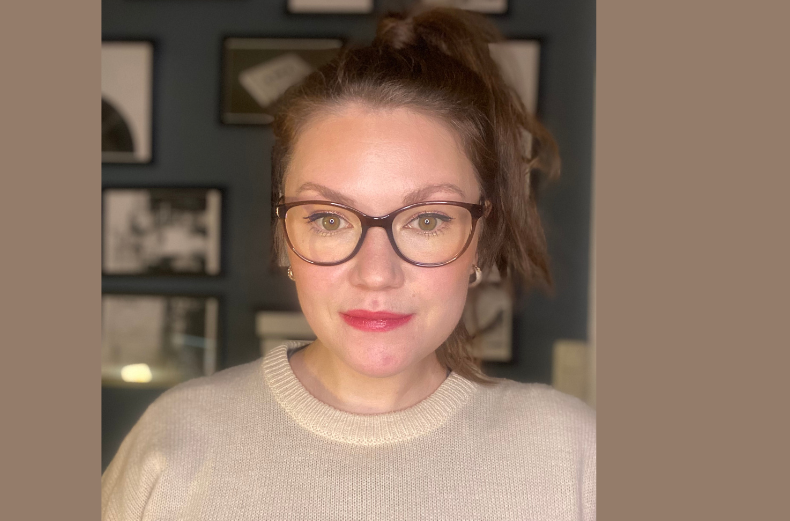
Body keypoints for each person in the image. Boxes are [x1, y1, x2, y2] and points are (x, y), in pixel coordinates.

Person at [102, 6, 595, 520]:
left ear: (481, 239)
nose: (376, 274)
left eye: (427, 220)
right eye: (329, 219)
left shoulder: (572, 455)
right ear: (284, 236)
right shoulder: (175, 443)